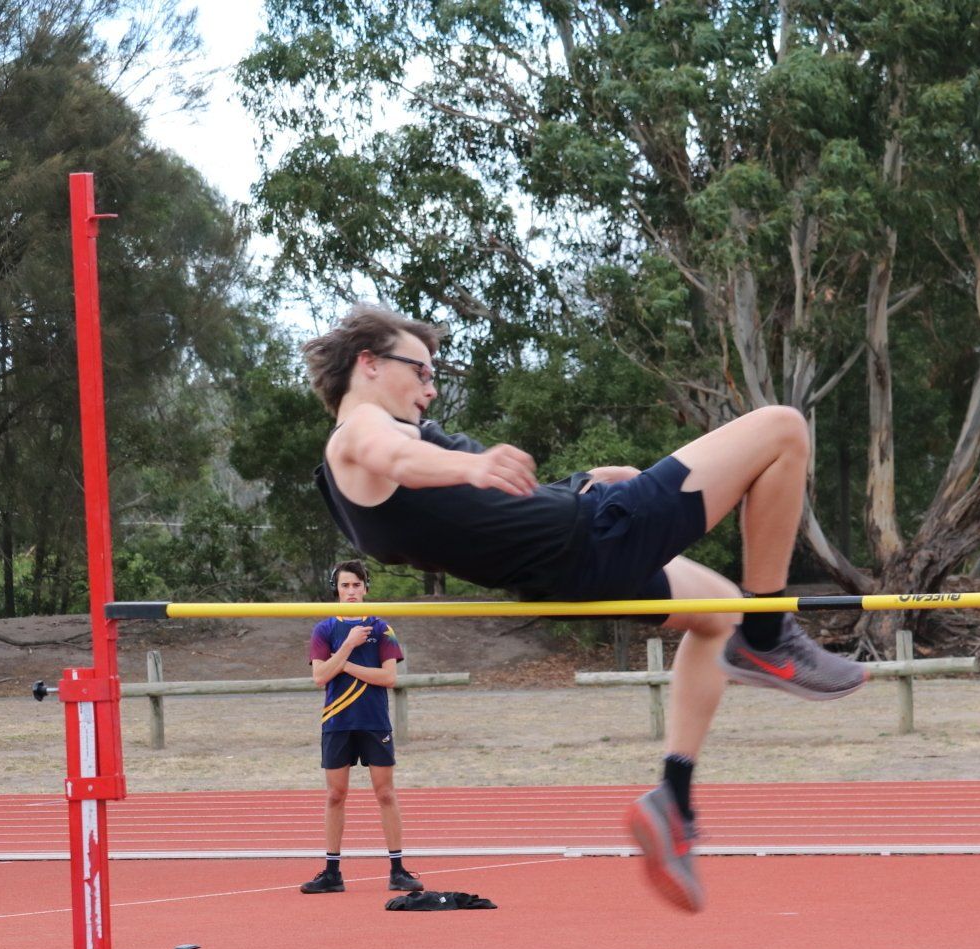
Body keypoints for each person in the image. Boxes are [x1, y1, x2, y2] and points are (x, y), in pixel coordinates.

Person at [303, 305, 866, 913]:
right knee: (783, 429)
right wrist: (475, 463)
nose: (431, 388)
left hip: (561, 569)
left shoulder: (355, 474)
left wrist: (576, 482)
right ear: (368, 364)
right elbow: (397, 458)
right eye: (420, 370)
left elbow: (480, 521)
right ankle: (769, 633)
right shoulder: (361, 432)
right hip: (595, 538)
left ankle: (673, 801)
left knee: (718, 612)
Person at [299, 558, 421, 896]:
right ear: (336, 589)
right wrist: (349, 644)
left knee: (385, 793)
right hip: (337, 721)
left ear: (366, 588)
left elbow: (389, 677)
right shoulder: (324, 629)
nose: (351, 591)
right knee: (335, 795)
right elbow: (320, 676)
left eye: (356, 585)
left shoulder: (381, 628)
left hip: (373, 720)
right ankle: (332, 872)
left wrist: (346, 664)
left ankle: (397, 870)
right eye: (345, 585)